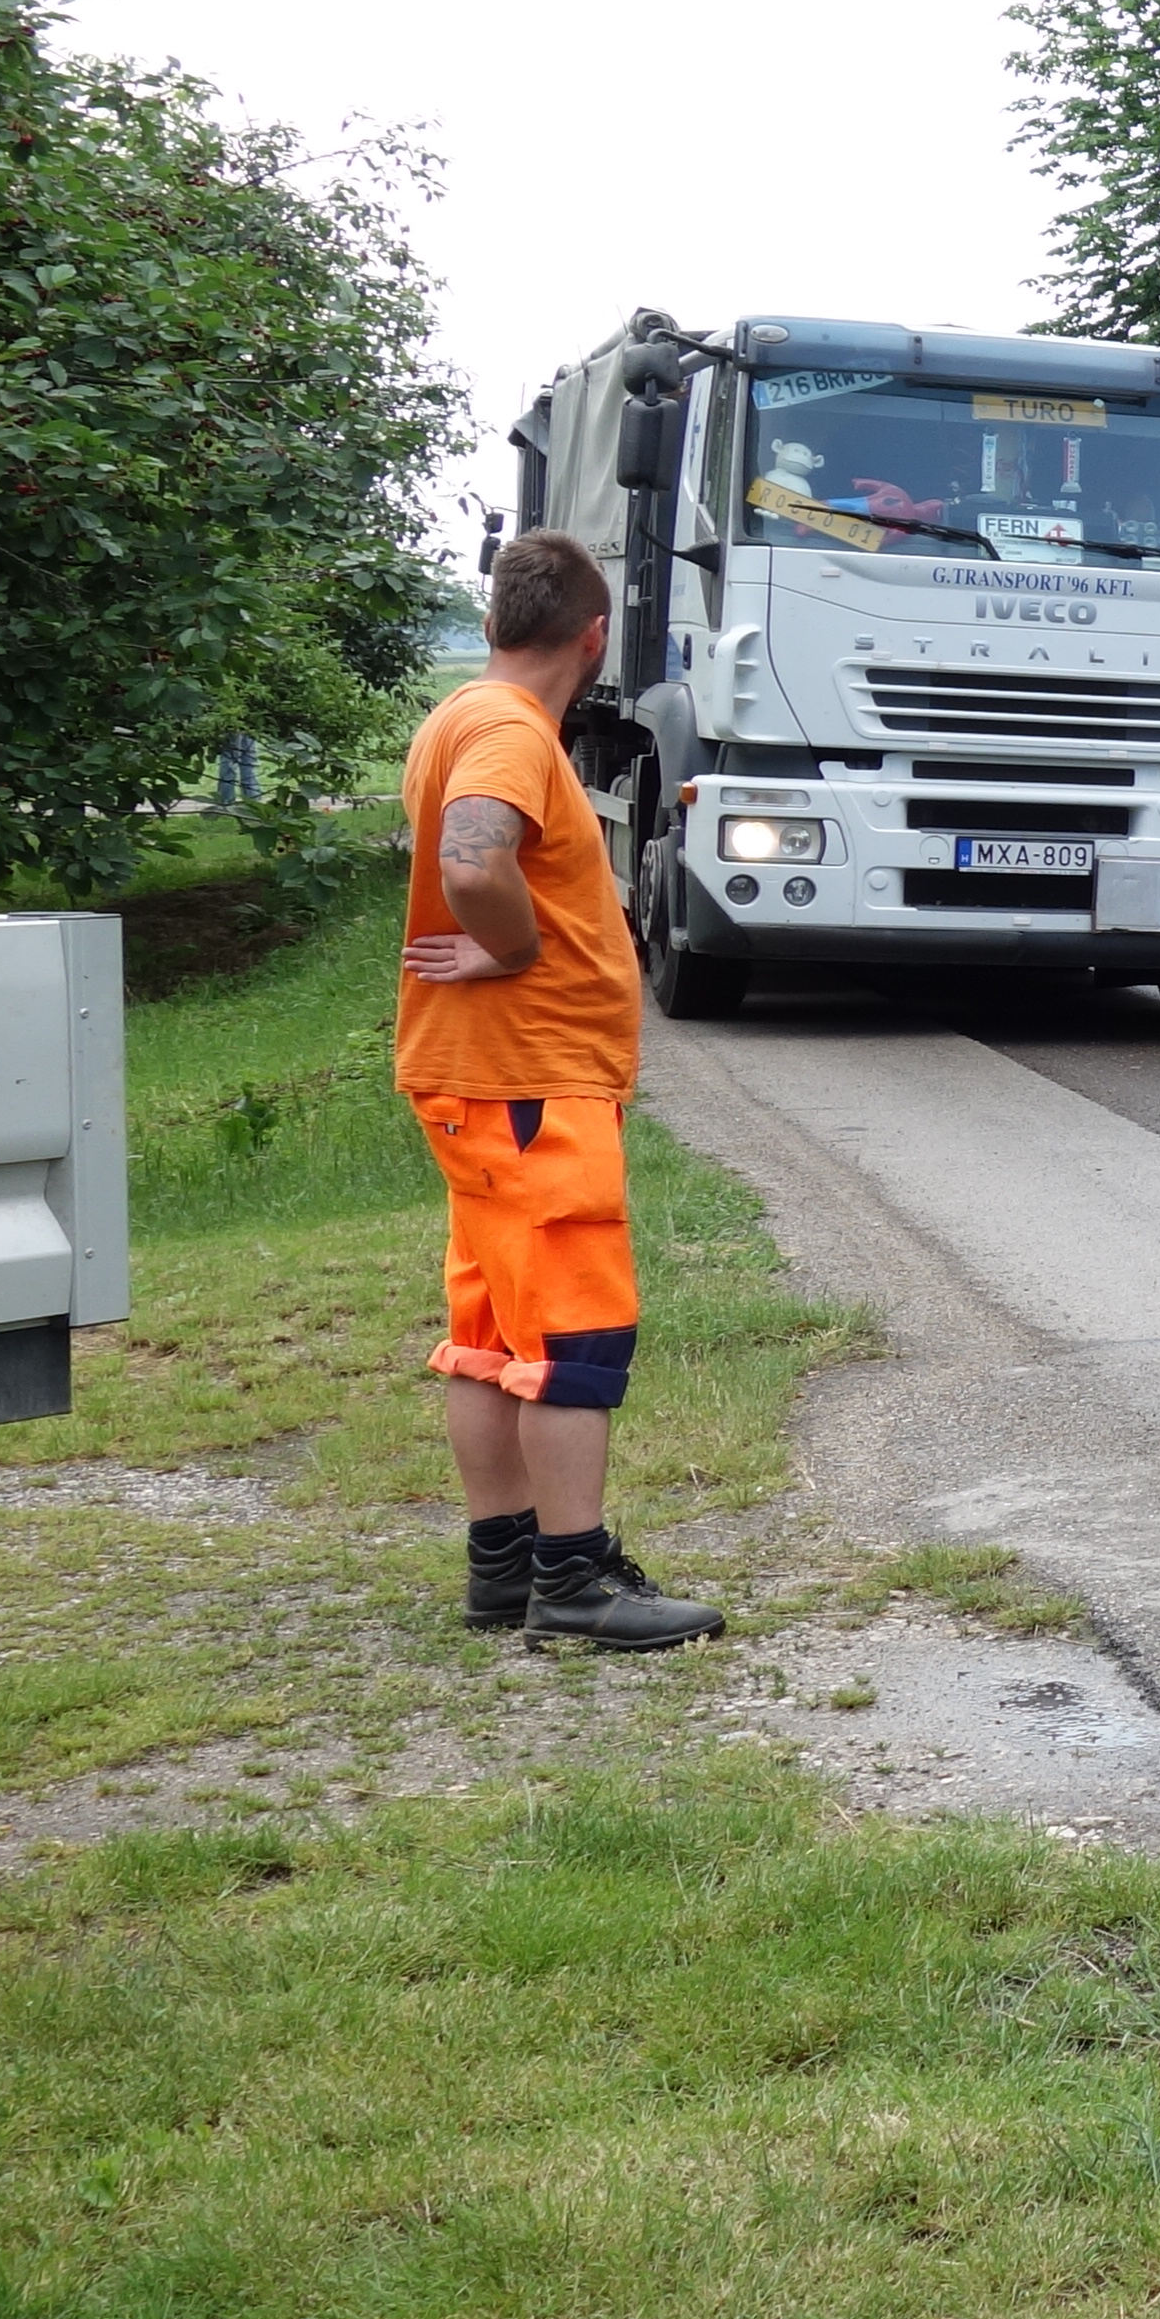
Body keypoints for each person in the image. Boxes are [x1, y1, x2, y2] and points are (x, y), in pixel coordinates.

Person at [398, 529, 723, 1649]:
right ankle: (576, 1584)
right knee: (575, 1340)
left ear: (495, 624)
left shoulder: (458, 713)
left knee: (491, 1335)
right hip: (531, 1082)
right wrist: (513, 948)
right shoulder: (505, 730)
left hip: (482, 1080)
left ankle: (506, 1569)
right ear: (594, 638)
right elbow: (474, 858)